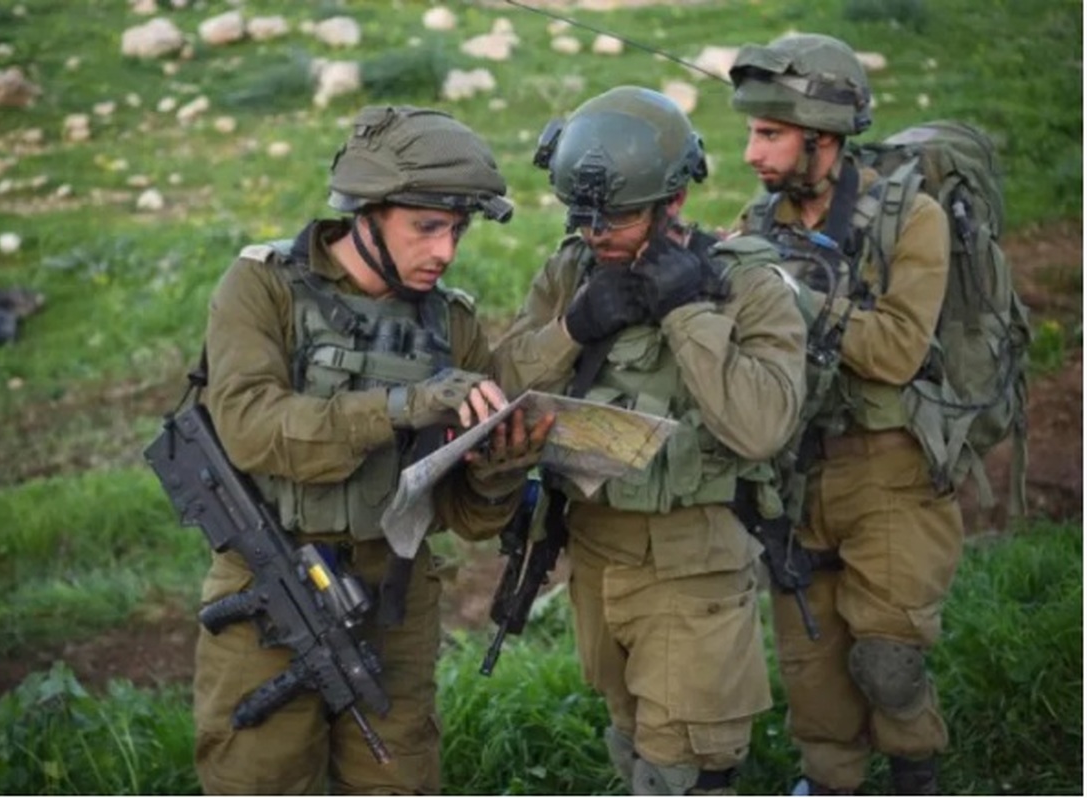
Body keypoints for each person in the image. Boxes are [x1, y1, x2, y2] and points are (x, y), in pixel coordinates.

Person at [192, 104, 550, 794]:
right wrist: (402, 407)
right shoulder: (264, 286)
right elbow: (250, 425)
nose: (445, 251)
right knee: (261, 776)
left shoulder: (451, 323)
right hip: (272, 580)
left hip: (396, 596)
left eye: (458, 230)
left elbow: (467, 518)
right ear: (367, 211)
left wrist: (500, 467)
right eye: (427, 227)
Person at [492, 86, 808, 795]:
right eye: (582, 216)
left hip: (691, 564)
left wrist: (687, 313)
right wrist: (573, 327)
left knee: (680, 772)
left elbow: (761, 425)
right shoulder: (571, 270)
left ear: (673, 201)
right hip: (596, 555)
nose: (596, 233)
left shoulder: (745, 285)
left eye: (619, 216)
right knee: (629, 742)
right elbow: (500, 389)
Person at [729, 33, 965, 796]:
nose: (751, 153)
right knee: (812, 669)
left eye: (770, 134)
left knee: (887, 661)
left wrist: (790, 294)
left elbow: (895, 349)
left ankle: (915, 772)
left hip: (889, 471)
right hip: (794, 476)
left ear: (822, 137)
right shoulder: (757, 224)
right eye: (752, 132)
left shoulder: (911, 219)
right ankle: (831, 783)